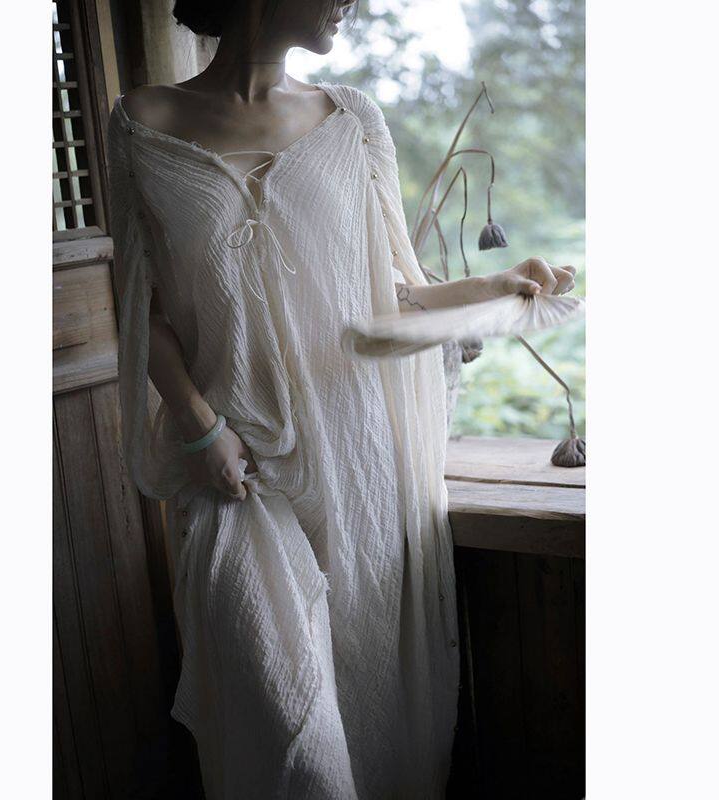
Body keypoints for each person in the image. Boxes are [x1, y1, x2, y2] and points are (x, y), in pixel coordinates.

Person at [107, 1, 576, 796]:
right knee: (282, 729)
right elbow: (139, 301)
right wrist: (200, 427)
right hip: (236, 469)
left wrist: (498, 284)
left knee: (370, 698)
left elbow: (394, 292)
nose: (350, 2)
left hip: (357, 458)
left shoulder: (352, 120)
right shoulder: (141, 122)